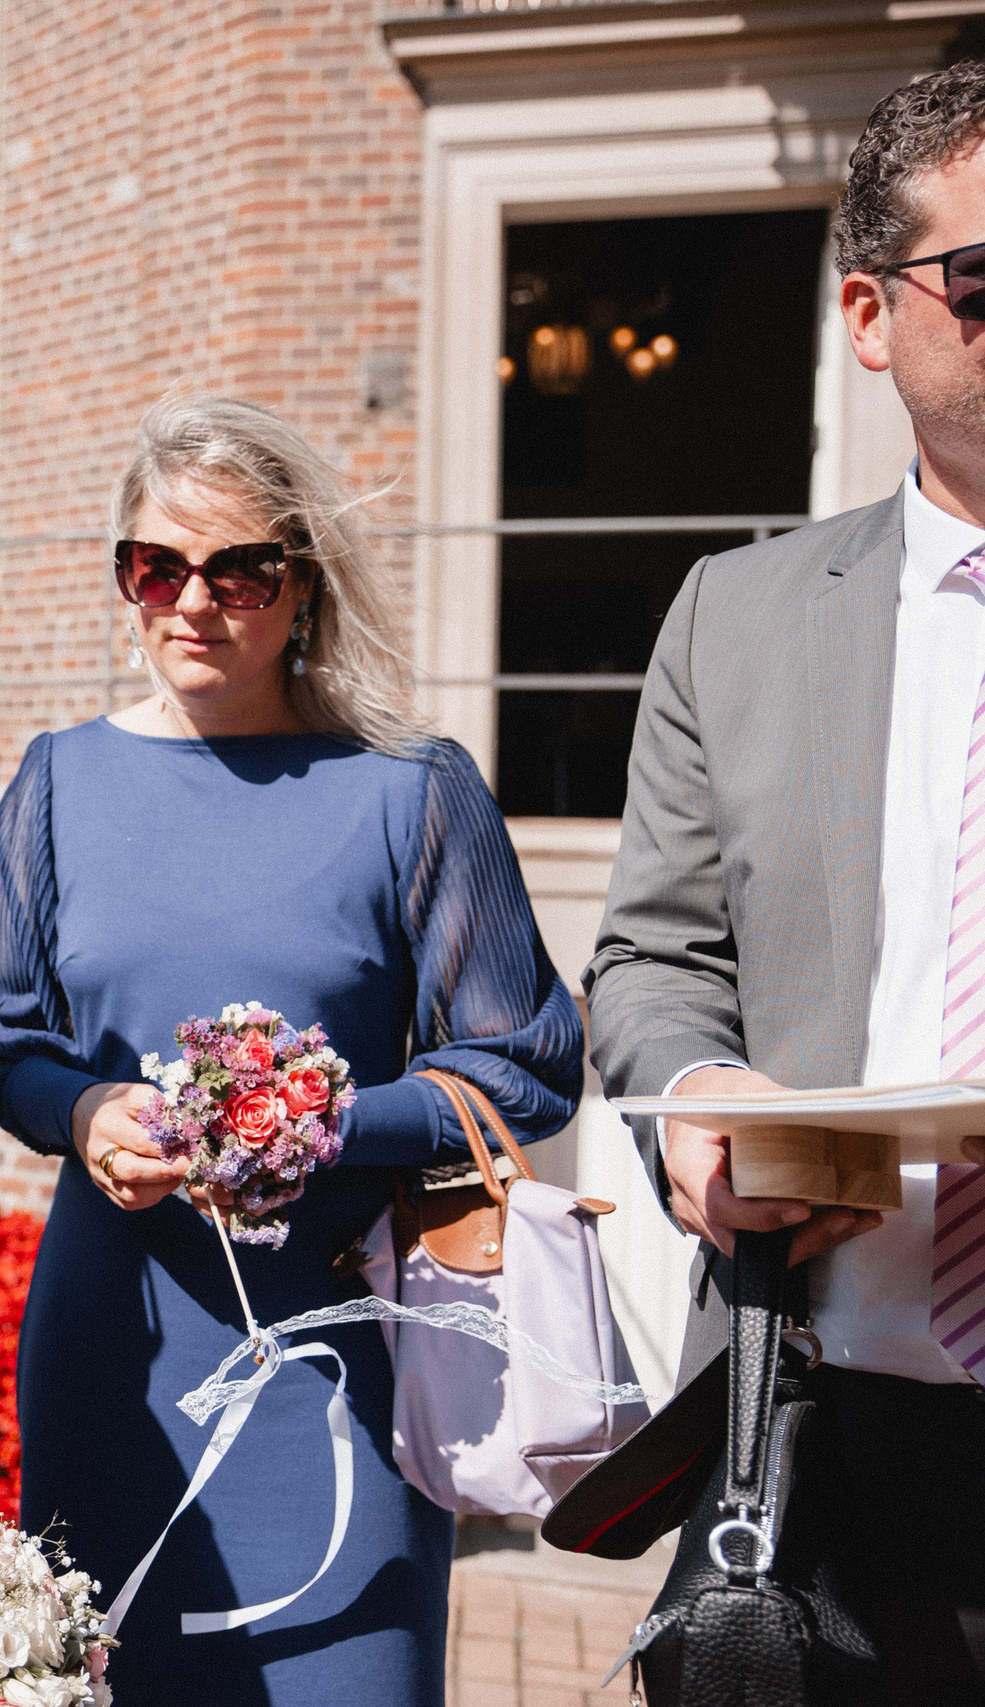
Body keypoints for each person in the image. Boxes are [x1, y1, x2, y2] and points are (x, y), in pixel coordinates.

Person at [0, 396, 582, 1707]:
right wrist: (84, 1108)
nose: (192, 601)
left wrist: (316, 1122)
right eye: (155, 566)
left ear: (303, 585)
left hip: (341, 1348)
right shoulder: (61, 779)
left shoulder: (412, 786)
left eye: (238, 570)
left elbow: (522, 1064)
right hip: (117, 1340)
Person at [585, 62, 985, 1699]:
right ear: (874, 316)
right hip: (821, 1439)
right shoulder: (736, 618)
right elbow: (654, 957)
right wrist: (701, 1093)